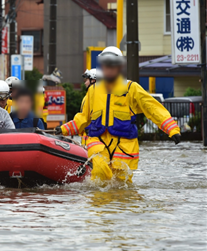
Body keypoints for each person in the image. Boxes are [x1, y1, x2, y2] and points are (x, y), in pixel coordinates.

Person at [55, 46, 180, 183]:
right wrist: (63, 129)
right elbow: (83, 118)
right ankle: (99, 203)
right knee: (100, 172)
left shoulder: (131, 88)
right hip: (99, 142)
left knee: (121, 183)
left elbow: (153, 108)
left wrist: (172, 130)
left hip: (124, 144)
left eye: (112, 64)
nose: (108, 68)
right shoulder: (93, 91)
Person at [79, 68, 98, 146]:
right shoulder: (88, 96)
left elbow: (84, 118)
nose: (85, 83)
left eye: (86, 80)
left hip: (93, 138)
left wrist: (65, 129)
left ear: (93, 80)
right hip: (87, 138)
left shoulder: (96, 96)